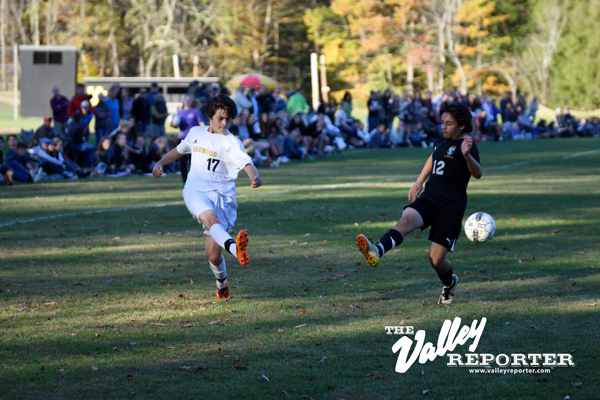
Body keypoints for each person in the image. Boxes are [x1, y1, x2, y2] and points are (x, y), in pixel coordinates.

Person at [356, 101, 482, 307]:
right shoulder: (440, 143)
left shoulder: (468, 144)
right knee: (406, 220)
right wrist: (419, 181)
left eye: (449, 123)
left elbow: (478, 173)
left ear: (462, 125)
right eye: (442, 122)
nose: (444, 127)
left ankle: (450, 283)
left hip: (450, 209)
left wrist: (467, 155)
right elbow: (432, 159)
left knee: (436, 260)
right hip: (430, 198)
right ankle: (376, 250)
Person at [152, 94, 262, 300]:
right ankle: (234, 248)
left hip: (223, 197)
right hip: (195, 190)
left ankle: (222, 283)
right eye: (221, 118)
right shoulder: (196, 133)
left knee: (213, 254)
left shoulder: (231, 142)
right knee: (211, 220)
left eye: (228, 119)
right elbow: (178, 151)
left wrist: (254, 176)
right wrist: (160, 163)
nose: (224, 123)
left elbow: (246, 162)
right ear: (210, 117)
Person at [177, 94, 204, 186]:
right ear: (183, 101)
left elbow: (201, 123)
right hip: (182, 139)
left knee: (194, 162)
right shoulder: (179, 112)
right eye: (185, 100)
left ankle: (194, 181)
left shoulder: (196, 112)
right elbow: (176, 124)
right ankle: (184, 181)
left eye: (189, 100)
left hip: (194, 140)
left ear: (192, 102)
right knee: (183, 162)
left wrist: (205, 133)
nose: (187, 101)